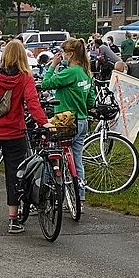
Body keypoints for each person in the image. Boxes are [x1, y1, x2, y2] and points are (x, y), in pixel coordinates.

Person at [0, 39, 51, 234]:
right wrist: (45, 123)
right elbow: (33, 104)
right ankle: (13, 220)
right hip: (15, 133)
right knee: (14, 176)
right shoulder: (25, 78)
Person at [39, 38, 96, 193]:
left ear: (70, 54)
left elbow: (46, 83)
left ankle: (50, 189)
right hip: (82, 120)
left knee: (52, 152)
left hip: (65, 121)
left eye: (64, 52)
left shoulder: (70, 72)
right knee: (77, 160)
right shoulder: (86, 72)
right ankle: (80, 195)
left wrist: (53, 65)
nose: (62, 55)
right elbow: (91, 101)